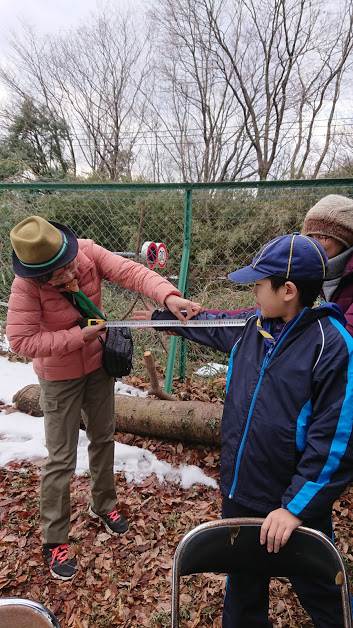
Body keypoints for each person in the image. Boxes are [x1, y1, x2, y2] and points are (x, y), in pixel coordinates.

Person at [136, 233, 353, 627]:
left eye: (258, 283)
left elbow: (335, 441)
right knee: (243, 588)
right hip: (241, 489)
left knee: (322, 588)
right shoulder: (255, 326)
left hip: (292, 503)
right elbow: (215, 325)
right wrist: (167, 319)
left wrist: (295, 509)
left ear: (287, 290)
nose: (252, 291)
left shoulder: (333, 346)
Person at [6, 215, 201, 581]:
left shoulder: (87, 253)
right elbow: (21, 341)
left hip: (97, 370)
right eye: (53, 275)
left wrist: (169, 295)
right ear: (35, 275)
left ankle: (104, 504)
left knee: (102, 437)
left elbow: (132, 273)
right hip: (58, 378)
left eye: (66, 267)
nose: (66, 276)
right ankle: (55, 539)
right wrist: (75, 338)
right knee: (61, 458)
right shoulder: (26, 287)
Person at [302, 194, 353, 335]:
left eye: (322, 236)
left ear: (345, 238)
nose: (314, 243)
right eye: (310, 236)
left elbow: (347, 335)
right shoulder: (304, 267)